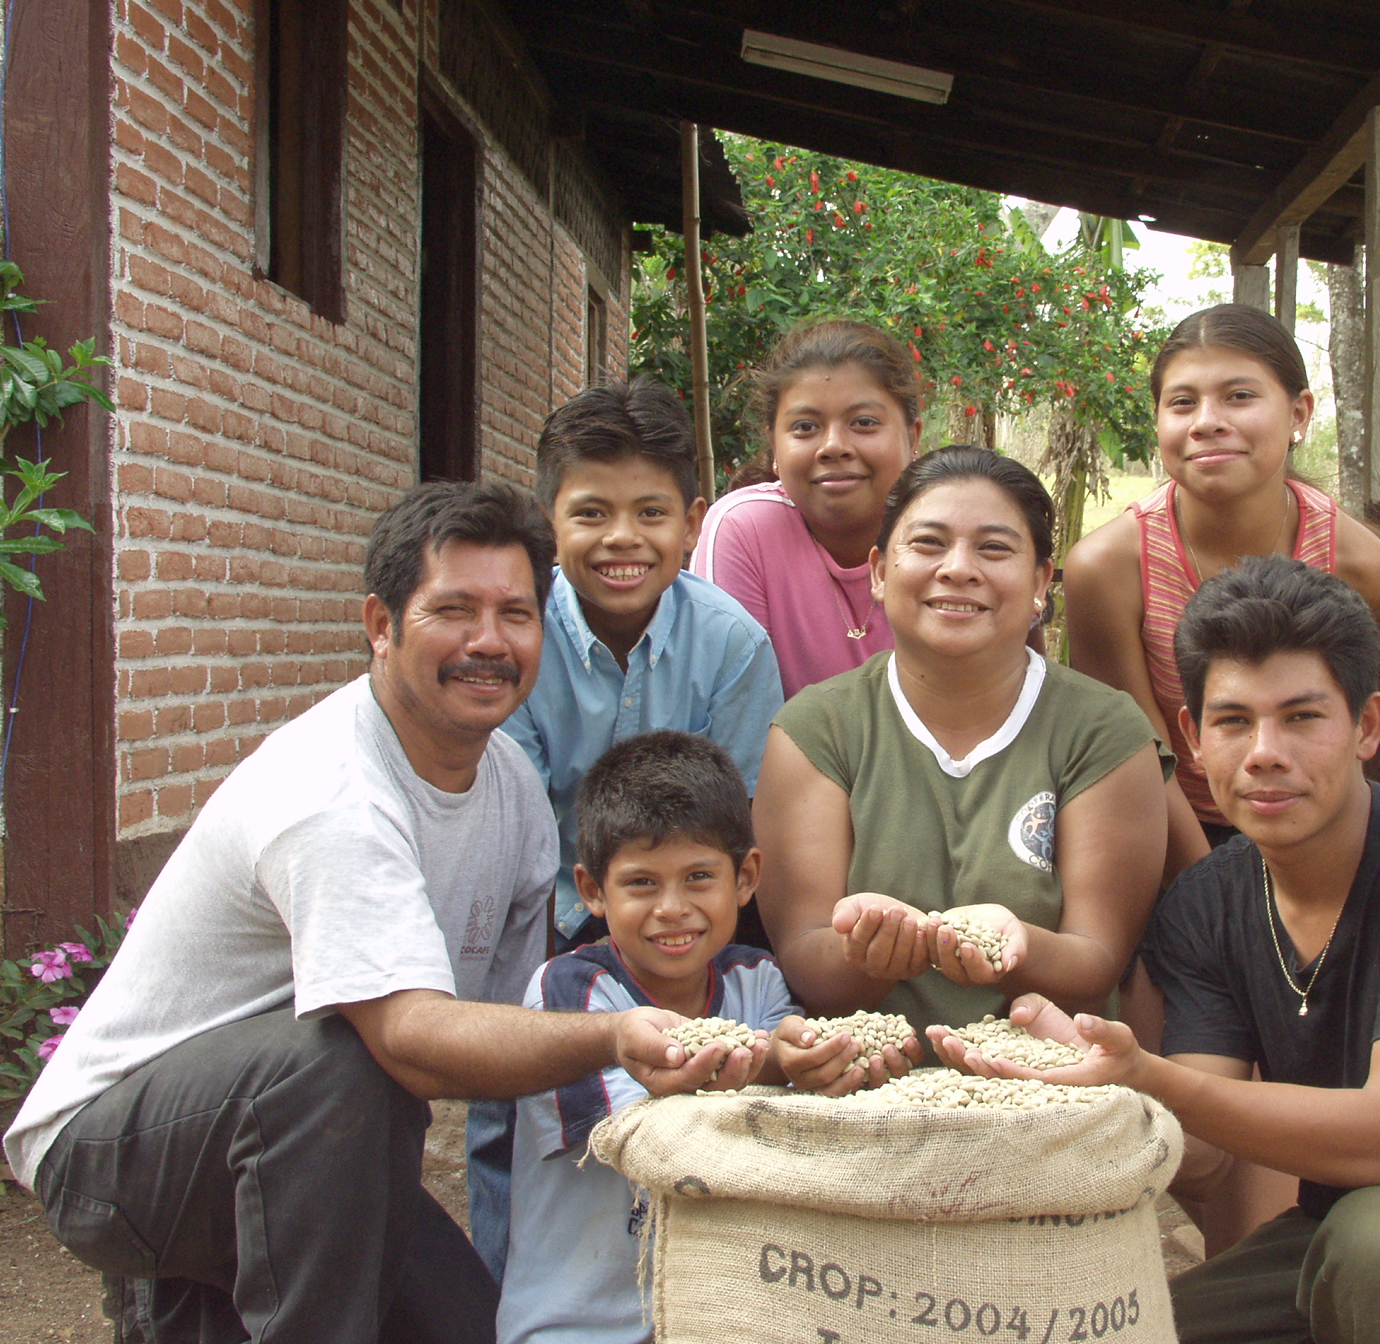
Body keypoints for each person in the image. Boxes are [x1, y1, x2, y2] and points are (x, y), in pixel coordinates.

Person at [3, 481, 765, 1344]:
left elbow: (510, 1031)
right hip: (116, 1154)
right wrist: (617, 1033)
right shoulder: (332, 790)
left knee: (470, 1328)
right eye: (454, 610)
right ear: (381, 623)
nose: (489, 641)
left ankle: (204, 1300)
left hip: (321, 1164)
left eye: (516, 614)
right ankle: (182, 1289)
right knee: (341, 1058)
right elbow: (406, 1041)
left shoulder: (510, 785)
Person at [936, 555, 1380, 1344]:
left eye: (1302, 718)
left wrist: (1143, 1072)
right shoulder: (1206, 904)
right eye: (1233, 722)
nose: (1265, 752)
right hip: (1332, 1245)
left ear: (1367, 726)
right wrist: (1068, 1082)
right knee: (1124, 1329)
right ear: (1193, 739)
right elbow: (1198, 1147)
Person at [470, 376, 784, 1281]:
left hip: (671, 916)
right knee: (513, 1115)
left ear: (692, 522)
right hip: (547, 904)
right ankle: (510, 1293)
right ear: (547, 519)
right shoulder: (518, 635)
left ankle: (682, 1291)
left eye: (651, 512)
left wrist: (659, 921)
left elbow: (729, 801)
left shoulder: (731, 644)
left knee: (688, 1106)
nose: (622, 539)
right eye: (591, 512)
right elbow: (518, 809)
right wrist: (583, 936)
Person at [753, 447, 1170, 1085]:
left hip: (1048, 1089)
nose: (958, 570)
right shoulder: (816, 729)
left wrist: (1016, 945)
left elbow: (1096, 962)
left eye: (995, 550)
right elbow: (808, 962)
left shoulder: (1104, 732)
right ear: (878, 571)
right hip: (861, 1093)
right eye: (927, 544)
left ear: (1040, 581)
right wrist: (876, 949)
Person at [498, 730, 850, 1344]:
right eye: (641, 883)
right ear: (591, 891)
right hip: (581, 1324)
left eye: (697, 877)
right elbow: (653, 1140)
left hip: (720, 1316)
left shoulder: (756, 982)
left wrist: (813, 1062)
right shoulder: (574, 995)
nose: (672, 908)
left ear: (746, 879)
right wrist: (774, 1066)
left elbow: (789, 1115)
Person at [1063, 303, 1380, 878]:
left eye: (1239, 396)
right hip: (1168, 836)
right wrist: (1212, 889)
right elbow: (1140, 759)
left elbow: (1338, 740)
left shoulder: (1360, 567)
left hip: (1317, 831)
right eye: (1182, 402)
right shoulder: (1107, 568)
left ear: (1299, 413)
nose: (1206, 421)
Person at [692, 319, 922, 699]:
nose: (833, 446)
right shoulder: (745, 529)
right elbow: (734, 717)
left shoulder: (951, 536)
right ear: (774, 446)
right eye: (804, 427)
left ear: (912, 437)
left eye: (864, 423)